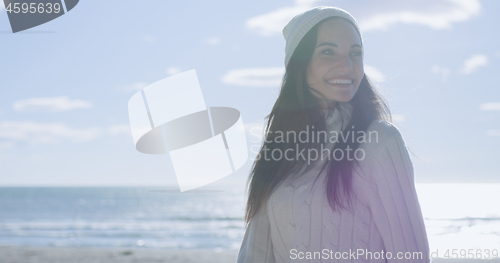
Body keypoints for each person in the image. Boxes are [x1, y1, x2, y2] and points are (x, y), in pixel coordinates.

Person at [236, 6, 430, 263]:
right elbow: (255, 253)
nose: (347, 66)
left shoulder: (380, 142)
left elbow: (412, 255)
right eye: (328, 52)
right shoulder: (279, 150)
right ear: (300, 64)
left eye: (355, 53)